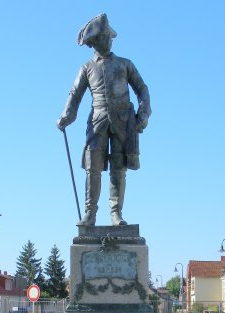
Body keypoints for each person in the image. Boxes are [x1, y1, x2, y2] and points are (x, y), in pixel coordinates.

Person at [57, 13, 151, 226]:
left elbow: (142, 89)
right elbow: (75, 94)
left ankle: (116, 213)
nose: (110, 40)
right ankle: (90, 213)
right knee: (93, 167)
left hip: (123, 120)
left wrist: (143, 114)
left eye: (110, 36)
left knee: (119, 168)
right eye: (106, 36)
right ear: (95, 41)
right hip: (97, 121)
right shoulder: (86, 68)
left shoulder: (125, 64)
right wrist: (66, 116)